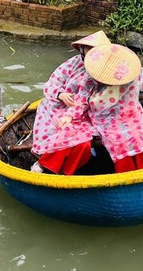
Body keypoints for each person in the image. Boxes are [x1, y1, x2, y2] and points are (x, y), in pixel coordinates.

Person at [31, 30, 112, 175]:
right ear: (82, 49)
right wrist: (61, 95)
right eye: (89, 48)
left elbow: (94, 99)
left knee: (83, 145)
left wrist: (76, 112)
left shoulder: (104, 71)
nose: (93, 52)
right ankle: (44, 165)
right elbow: (51, 84)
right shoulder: (71, 64)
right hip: (57, 107)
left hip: (85, 113)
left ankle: (66, 174)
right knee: (66, 131)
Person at [84, 44, 143, 173]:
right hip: (109, 121)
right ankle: (131, 173)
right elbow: (91, 103)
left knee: (138, 136)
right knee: (119, 141)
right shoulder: (96, 76)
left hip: (132, 115)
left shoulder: (134, 72)